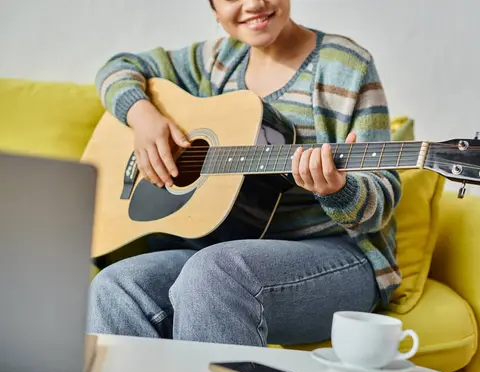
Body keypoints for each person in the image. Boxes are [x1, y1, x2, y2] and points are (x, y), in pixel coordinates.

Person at [87, 0, 403, 347]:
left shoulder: (346, 64)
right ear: (213, 8)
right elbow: (117, 68)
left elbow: (381, 192)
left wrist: (337, 191)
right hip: (228, 249)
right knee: (116, 286)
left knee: (215, 273)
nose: (253, 4)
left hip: (339, 255)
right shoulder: (217, 60)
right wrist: (141, 115)